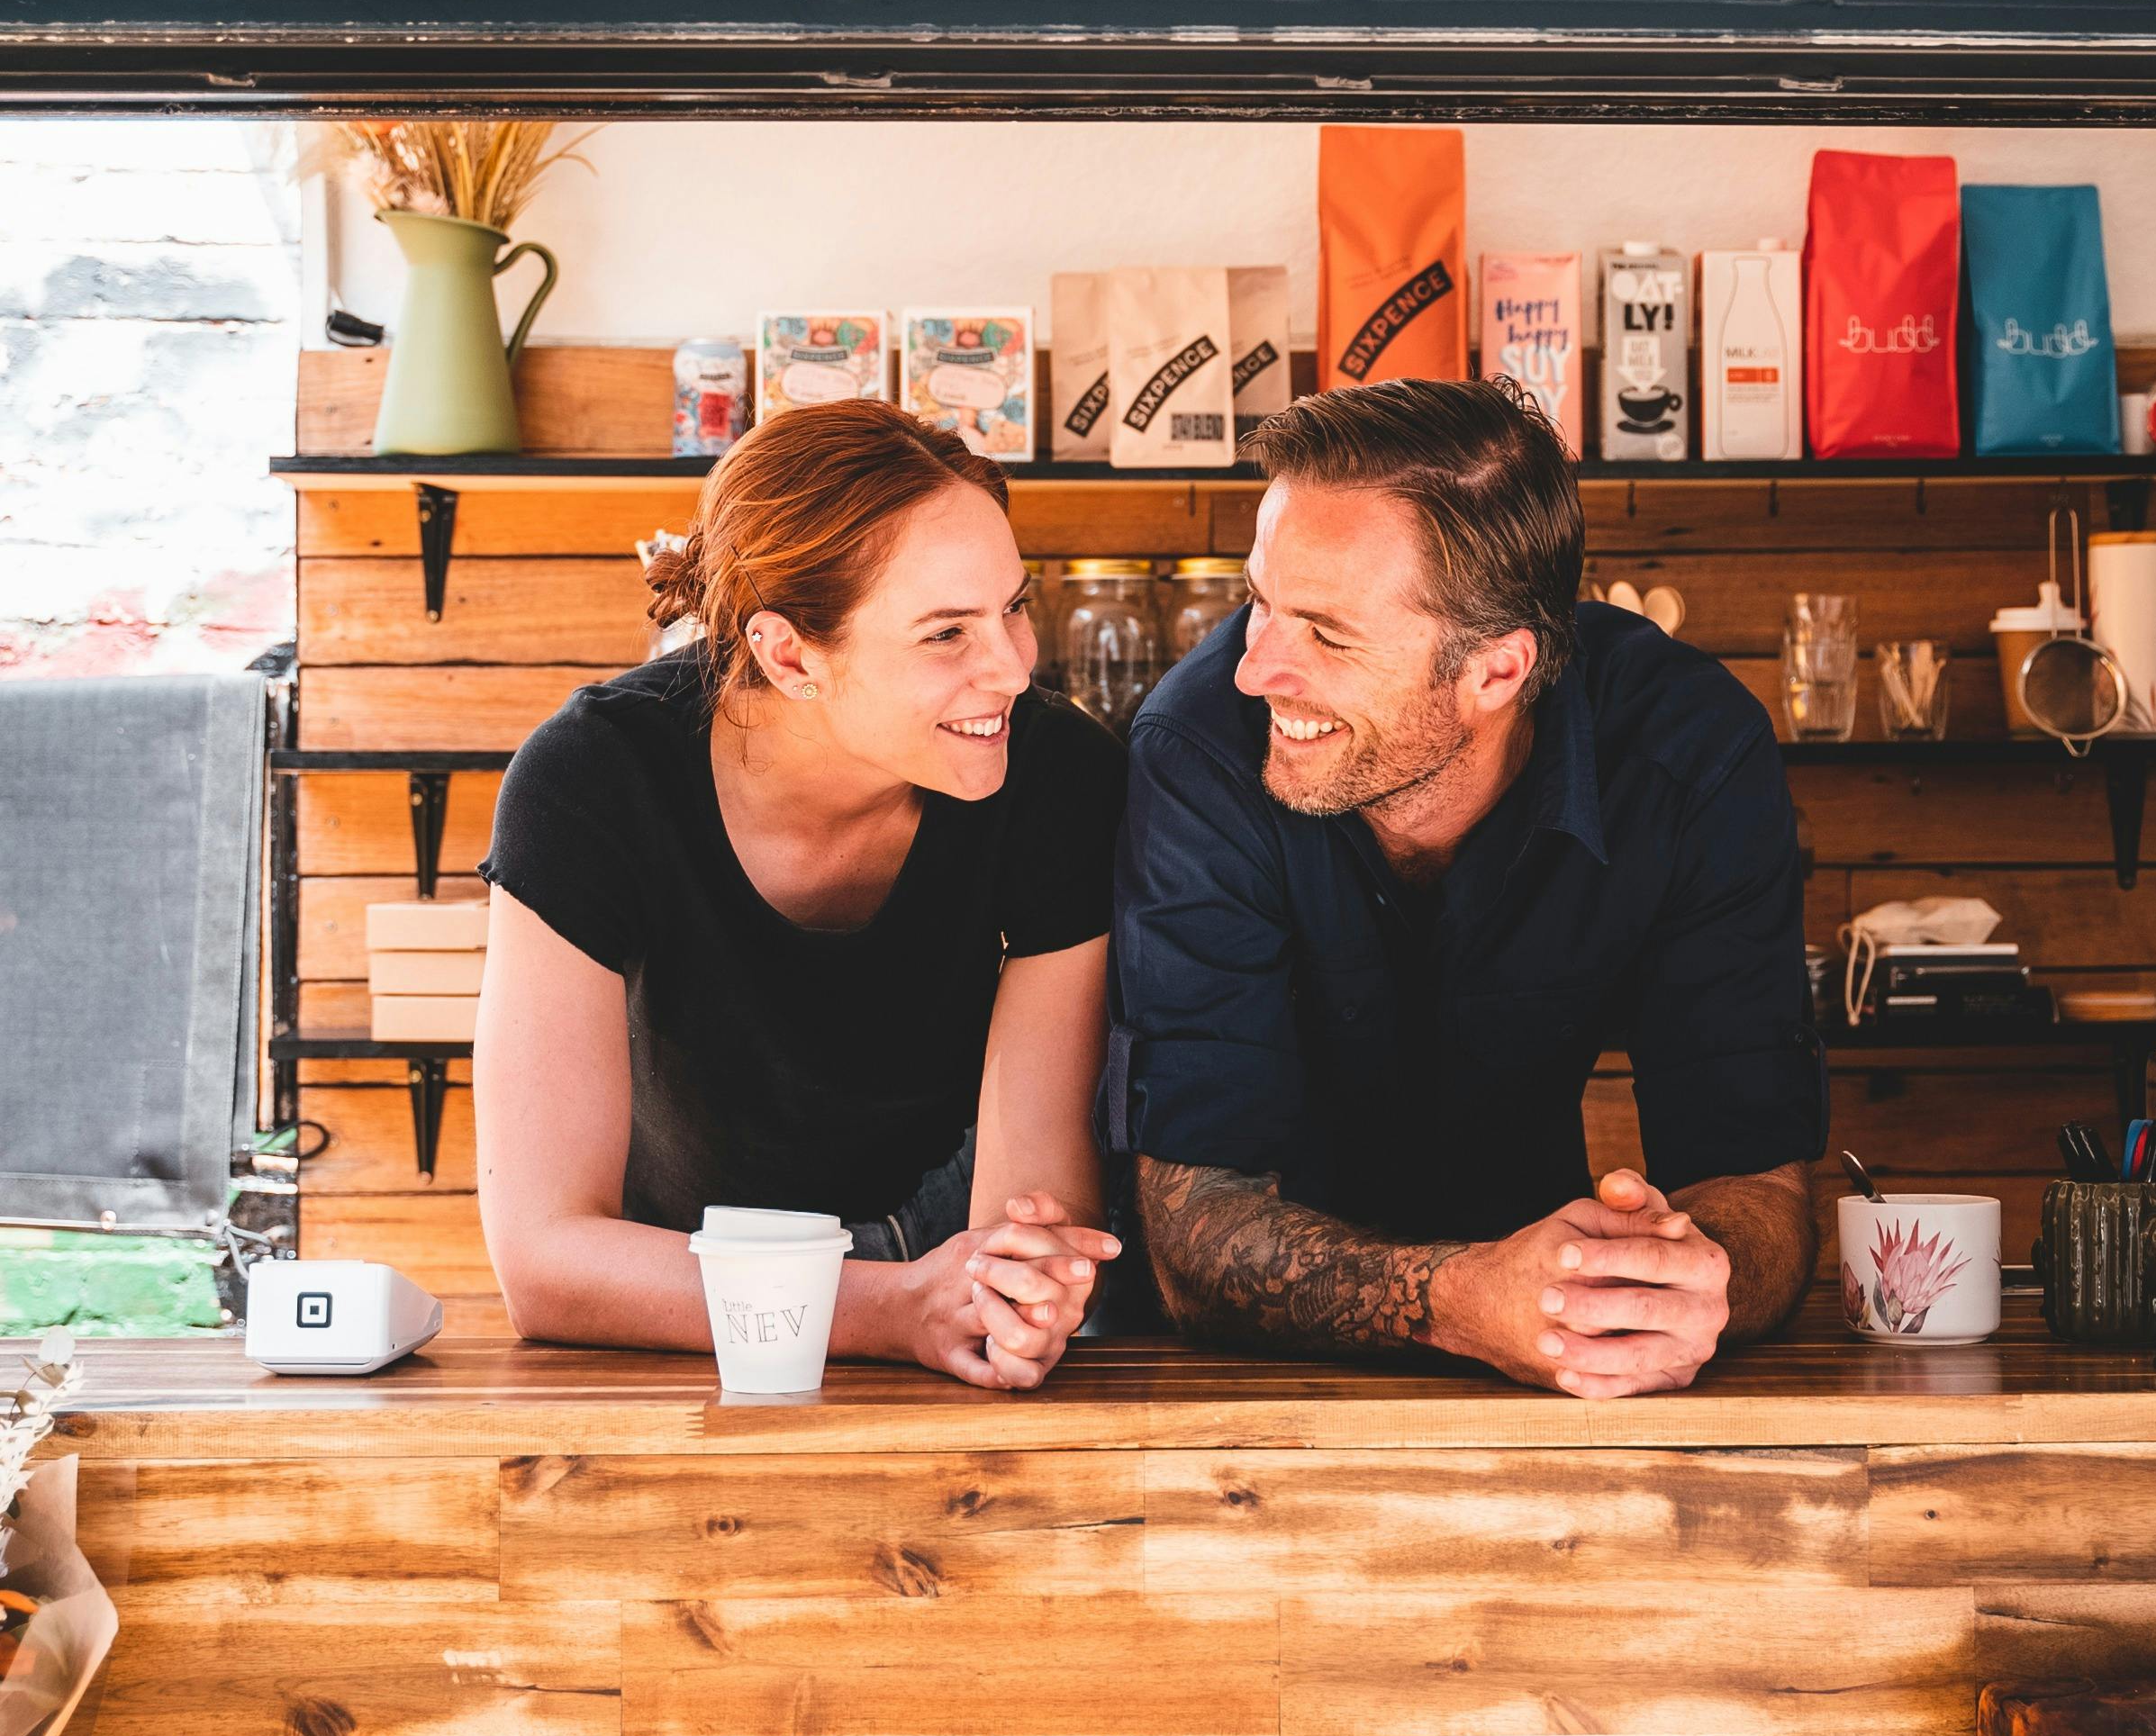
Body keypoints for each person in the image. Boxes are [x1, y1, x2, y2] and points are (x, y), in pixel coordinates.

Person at [1110, 378, 1824, 1394]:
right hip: (1235, 1379)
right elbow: (1193, 1232)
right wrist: (1460, 1298)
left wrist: (1673, 1286)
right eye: (1260, 602)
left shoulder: (1685, 757)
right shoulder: (1197, 750)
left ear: (1495, 671)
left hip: (1549, 1349)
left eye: (1327, 632)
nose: (1253, 669)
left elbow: (1752, 1175)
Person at [475, 399, 1123, 1385]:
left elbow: (1033, 1202)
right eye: (946, 633)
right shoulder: (594, 780)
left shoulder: (1059, 773)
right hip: (680, 1282)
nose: (1013, 666)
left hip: (946, 1241)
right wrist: (885, 1307)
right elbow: (546, 1261)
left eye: (1014, 607)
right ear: (788, 654)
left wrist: (1017, 1298)